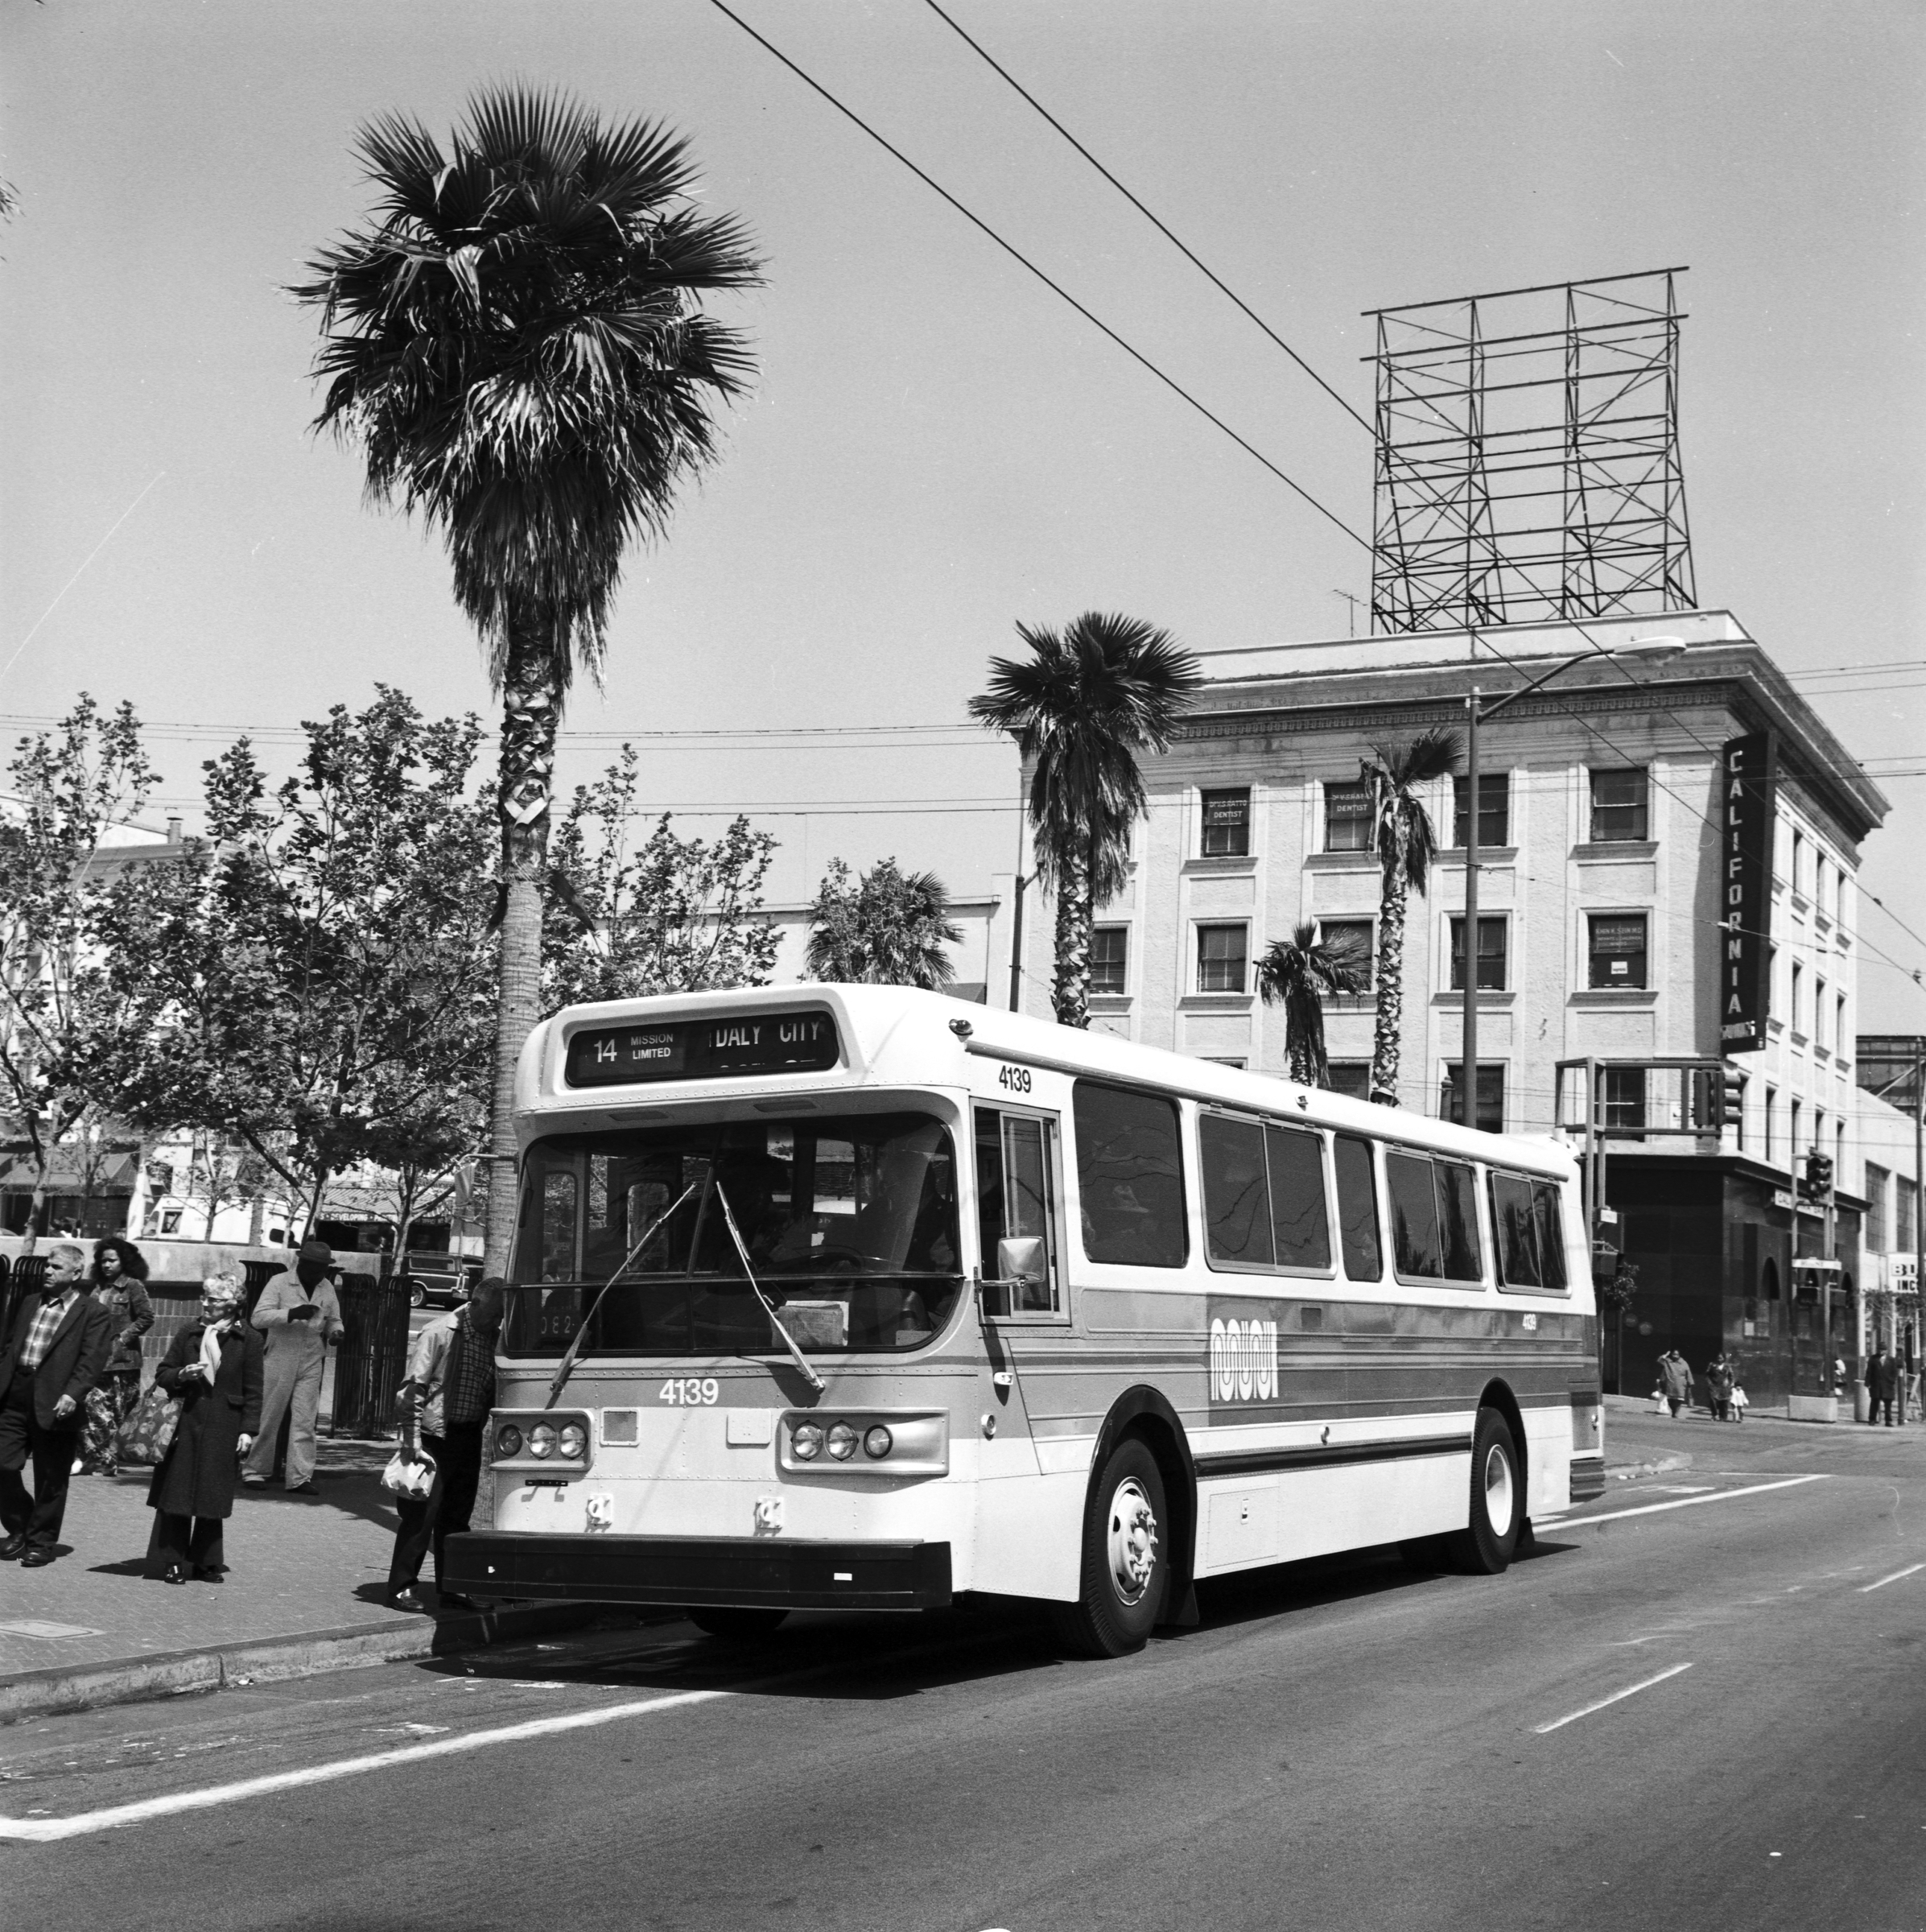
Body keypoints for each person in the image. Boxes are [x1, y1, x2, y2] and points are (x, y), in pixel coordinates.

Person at [386, 1276, 505, 1613]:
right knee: (421, 1516)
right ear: (475, 1303)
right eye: (494, 1314)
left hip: (467, 1435)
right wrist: (411, 1440)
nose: (497, 1322)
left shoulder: (491, 1338)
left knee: (456, 1518)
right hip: (434, 1438)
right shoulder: (439, 1332)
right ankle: (401, 1587)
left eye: (501, 1317)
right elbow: (413, 1388)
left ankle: (452, 1588)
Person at [145, 1272, 264, 1583]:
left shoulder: (249, 1339)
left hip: (225, 1425)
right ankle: (171, 1560)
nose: (205, 1303)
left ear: (233, 1304)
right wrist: (181, 1375)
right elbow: (163, 1373)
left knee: (213, 1494)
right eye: (205, 1297)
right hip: (185, 1421)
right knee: (177, 1492)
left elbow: (254, 1390)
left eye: (213, 1299)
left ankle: (206, 1562)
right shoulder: (189, 1331)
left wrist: (247, 1431)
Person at [0, 1243, 111, 1567]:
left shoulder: (92, 1312)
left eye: (57, 1267)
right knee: (3, 1465)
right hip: (15, 1395)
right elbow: (9, 1346)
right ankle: (20, 1527)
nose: (48, 1271)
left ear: (76, 1273)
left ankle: (41, 1543)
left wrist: (72, 1394)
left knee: (51, 1478)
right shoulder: (30, 1302)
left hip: (57, 1402)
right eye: (48, 1265)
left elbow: (92, 1361)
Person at [243, 1237, 344, 1495]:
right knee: (269, 1416)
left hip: (312, 1358)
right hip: (279, 1355)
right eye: (314, 1268)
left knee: (305, 1421)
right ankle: (254, 1471)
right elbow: (258, 1318)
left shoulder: (327, 1287)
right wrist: (290, 1314)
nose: (319, 1274)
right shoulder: (279, 1283)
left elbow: (334, 1319)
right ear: (302, 1263)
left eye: (323, 1269)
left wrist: (336, 1332)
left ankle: (300, 1477)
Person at [78, 1237, 156, 1476]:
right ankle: (101, 1456)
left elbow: (146, 1317)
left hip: (123, 1362)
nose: (107, 1265)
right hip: (96, 1360)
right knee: (93, 1406)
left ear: (125, 1261)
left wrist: (122, 1338)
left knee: (119, 1413)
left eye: (112, 1260)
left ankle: (107, 1459)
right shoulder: (99, 1287)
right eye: (103, 1260)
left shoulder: (132, 1286)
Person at [1866, 1345, 1901, 1428]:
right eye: (1879, 1349)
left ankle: (1888, 1421)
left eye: (1883, 1350)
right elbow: (1869, 1371)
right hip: (1876, 1384)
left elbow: (1895, 1372)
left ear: (1886, 1350)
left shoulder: (1891, 1360)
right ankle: (1872, 1420)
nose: (1881, 1351)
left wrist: (1892, 1380)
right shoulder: (1873, 1358)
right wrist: (1867, 1383)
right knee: (1874, 1402)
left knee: (1888, 1404)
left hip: (1887, 1384)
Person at [1657, 1348, 1693, 1419]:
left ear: (1679, 1355)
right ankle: (1674, 1412)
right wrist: (1665, 1355)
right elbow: (1659, 1360)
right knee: (1670, 1400)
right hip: (1670, 1385)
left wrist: (1690, 1382)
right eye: (1674, 1354)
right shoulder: (1667, 1362)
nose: (1675, 1356)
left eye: (1677, 1354)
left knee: (1679, 1400)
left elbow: (1688, 1373)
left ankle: (1676, 1413)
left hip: (1680, 1385)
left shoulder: (1684, 1363)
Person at [1705, 1351, 1735, 1423]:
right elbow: (1707, 1375)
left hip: (1724, 1387)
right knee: (1713, 1400)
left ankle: (1723, 1417)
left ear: (1724, 1359)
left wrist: (1730, 1384)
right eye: (1718, 1358)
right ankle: (1714, 1415)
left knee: (1724, 1402)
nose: (1719, 1360)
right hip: (1714, 1386)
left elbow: (1731, 1376)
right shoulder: (1712, 1365)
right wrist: (1709, 1383)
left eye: (1721, 1358)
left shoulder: (1728, 1367)